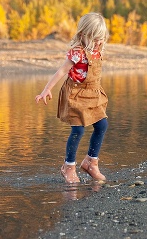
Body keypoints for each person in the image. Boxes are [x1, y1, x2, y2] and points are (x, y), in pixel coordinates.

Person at [35, 12, 109, 183]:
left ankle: (91, 162)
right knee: (78, 130)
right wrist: (46, 89)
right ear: (83, 35)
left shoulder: (97, 51)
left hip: (93, 93)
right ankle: (68, 167)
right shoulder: (77, 53)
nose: (99, 42)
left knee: (102, 125)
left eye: (101, 38)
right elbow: (62, 71)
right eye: (95, 38)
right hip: (75, 94)